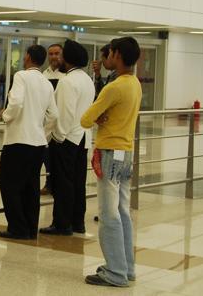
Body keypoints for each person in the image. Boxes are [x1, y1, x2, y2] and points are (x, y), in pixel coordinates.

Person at [80, 37, 142, 287]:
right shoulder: (135, 84)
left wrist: (100, 116)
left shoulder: (114, 87)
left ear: (117, 54)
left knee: (108, 214)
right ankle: (127, 268)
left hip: (109, 153)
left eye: (112, 52)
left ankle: (114, 271)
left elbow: (86, 119)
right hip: (126, 153)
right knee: (123, 212)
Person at [0, 45, 58, 240]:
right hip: (38, 143)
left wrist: (5, 116)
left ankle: (17, 227)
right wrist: (43, 133)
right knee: (31, 187)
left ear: (28, 57)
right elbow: (54, 115)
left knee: (9, 185)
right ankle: (31, 228)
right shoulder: (46, 82)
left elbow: (15, 103)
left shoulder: (21, 76)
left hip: (18, 141)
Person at [42, 40, 95, 236]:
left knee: (63, 182)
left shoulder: (67, 81)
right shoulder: (87, 79)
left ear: (68, 59)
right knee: (78, 182)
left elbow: (64, 114)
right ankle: (77, 221)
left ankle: (62, 223)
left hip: (67, 138)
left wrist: (56, 138)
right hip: (82, 137)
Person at [40, 43, 65, 195]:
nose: (54, 57)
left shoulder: (66, 77)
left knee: (59, 158)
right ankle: (49, 183)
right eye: (51, 54)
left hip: (61, 124)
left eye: (57, 53)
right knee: (46, 156)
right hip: (46, 123)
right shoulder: (44, 75)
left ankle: (57, 185)